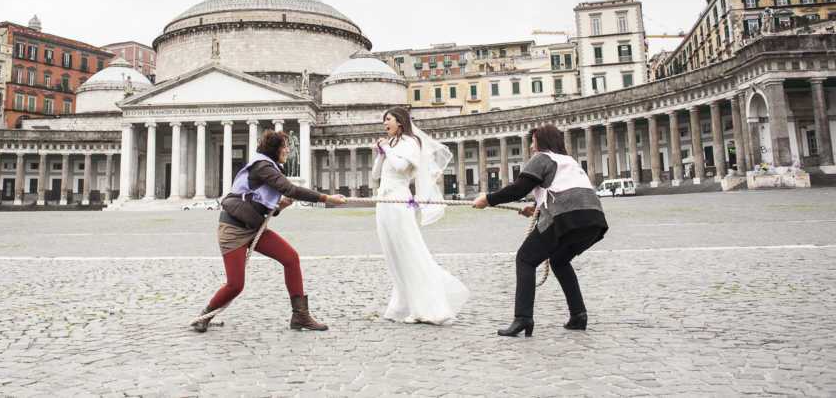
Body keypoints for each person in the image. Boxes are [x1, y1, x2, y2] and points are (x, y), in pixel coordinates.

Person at [192, 130, 347, 333]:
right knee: (236, 285)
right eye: (284, 146)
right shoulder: (262, 166)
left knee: (291, 258)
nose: (288, 150)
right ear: (274, 149)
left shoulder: (268, 168)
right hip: (233, 229)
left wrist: (280, 206)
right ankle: (204, 316)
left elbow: (259, 205)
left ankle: (300, 316)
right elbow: (290, 189)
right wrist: (327, 198)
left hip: (253, 228)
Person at [473, 124, 608, 337]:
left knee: (525, 259)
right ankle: (578, 315)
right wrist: (536, 209)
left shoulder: (542, 157)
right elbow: (565, 190)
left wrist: (488, 200)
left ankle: (523, 318)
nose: (531, 145)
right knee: (560, 261)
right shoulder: (570, 161)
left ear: (542, 142)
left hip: (566, 217)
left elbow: (519, 189)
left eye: (533, 140)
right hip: (593, 219)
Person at [371, 106, 469, 324]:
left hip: (398, 200)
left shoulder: (411, 143)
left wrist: (387, 150)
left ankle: (426, 306)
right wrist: (380, 154)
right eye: (384, 120)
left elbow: (400, 167)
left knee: (409, 250)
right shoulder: (392, 144)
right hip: (383, 202)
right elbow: (376, 174)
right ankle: (402, 304)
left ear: (400, 122)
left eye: (388, 119)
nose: (385, 123)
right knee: (393, 253)